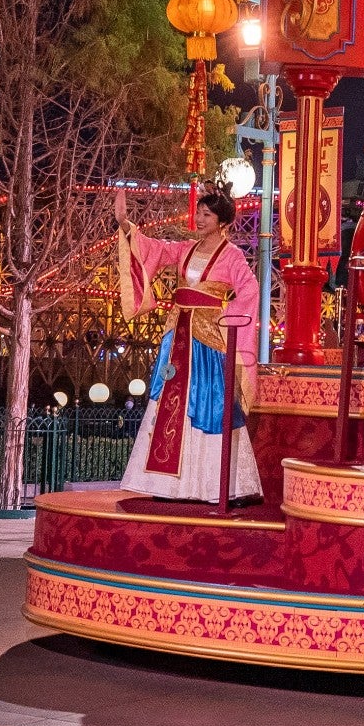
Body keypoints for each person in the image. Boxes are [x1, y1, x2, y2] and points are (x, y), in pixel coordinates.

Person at [114, 186, 262, 503]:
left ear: (223, 222)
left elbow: (250, 291)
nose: (199, 219)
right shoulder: (186, 249)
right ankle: (167, 485)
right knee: (169, 400)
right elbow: (152, 249)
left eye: (207, 214)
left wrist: (226, 319)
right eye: (199, 213)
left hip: (208, 339)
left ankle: (220, 486)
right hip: (178, 333)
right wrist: (126, 225)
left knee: (210, 404)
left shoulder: (233, 256)